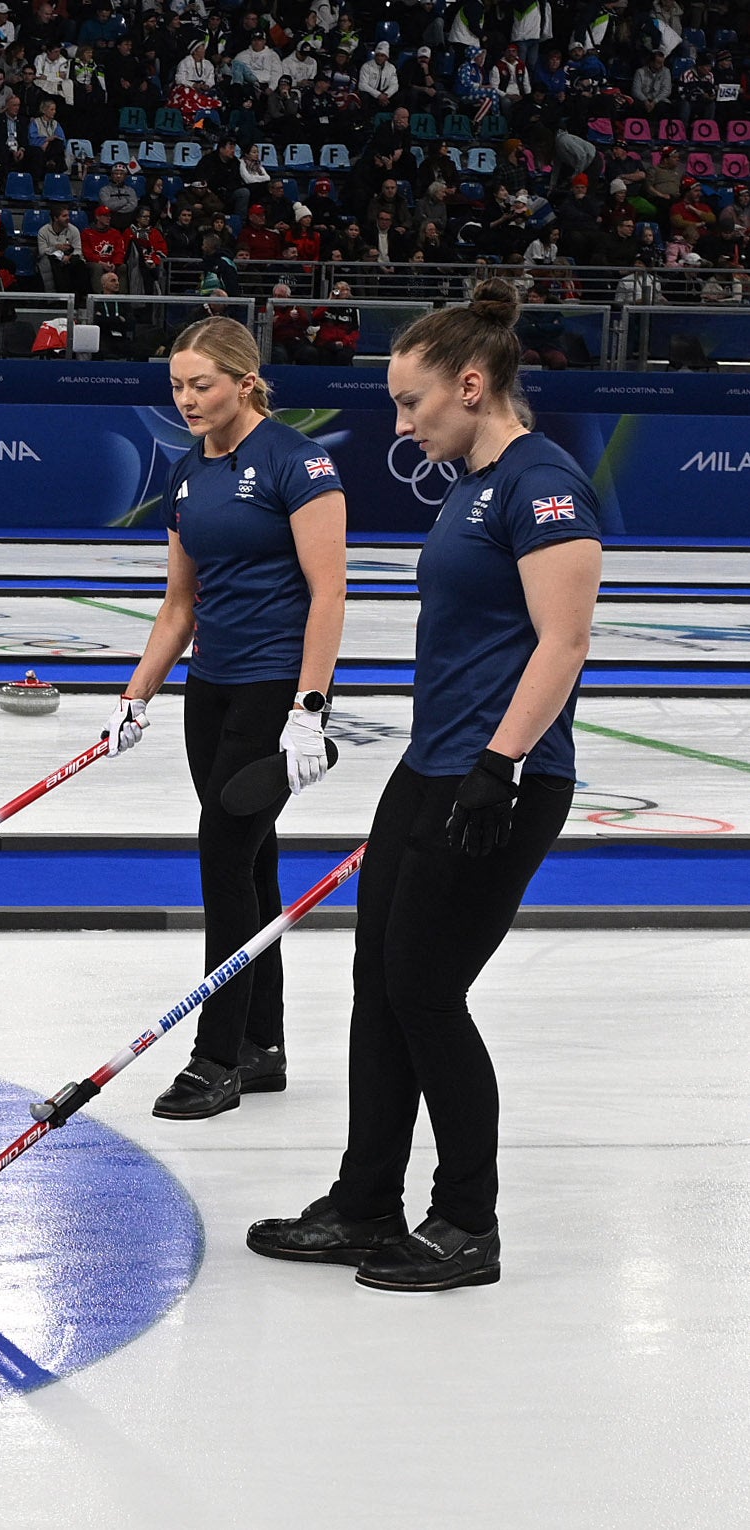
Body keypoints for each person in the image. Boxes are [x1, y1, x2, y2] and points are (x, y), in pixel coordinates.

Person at [248, 283, 600, 1292]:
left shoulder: (544, 485)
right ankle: (366, 1203)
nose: (402, 425)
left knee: (427, 993)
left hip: (500, 778)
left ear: (471, 386)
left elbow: (564, 642)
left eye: (412, 403)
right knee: (378, 985)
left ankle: (466, 1222)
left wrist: (498, 766)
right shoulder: (471, 485)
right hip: (430, 767)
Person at [102, 315, 348, 1121]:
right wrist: (136, 695)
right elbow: (180, 604)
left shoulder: (297, 462)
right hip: (209, 691)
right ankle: (263, 1045)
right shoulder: (185, 471)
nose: (186, 399)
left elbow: (329, 593)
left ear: (246, 382)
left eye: (201, 385)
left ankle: (216, 1058)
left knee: (223, 855)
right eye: (176, 386)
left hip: (275, 689)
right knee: (253, 863)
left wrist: (310, 708)